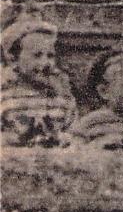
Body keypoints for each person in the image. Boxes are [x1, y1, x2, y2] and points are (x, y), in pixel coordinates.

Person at [0, 15, 77, 148]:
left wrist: (65, 139)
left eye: (50, 56)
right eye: (37, 55)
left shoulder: (63, 100)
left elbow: (75, 136)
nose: (46, 63)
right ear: (14, 60)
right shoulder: (5, 98)